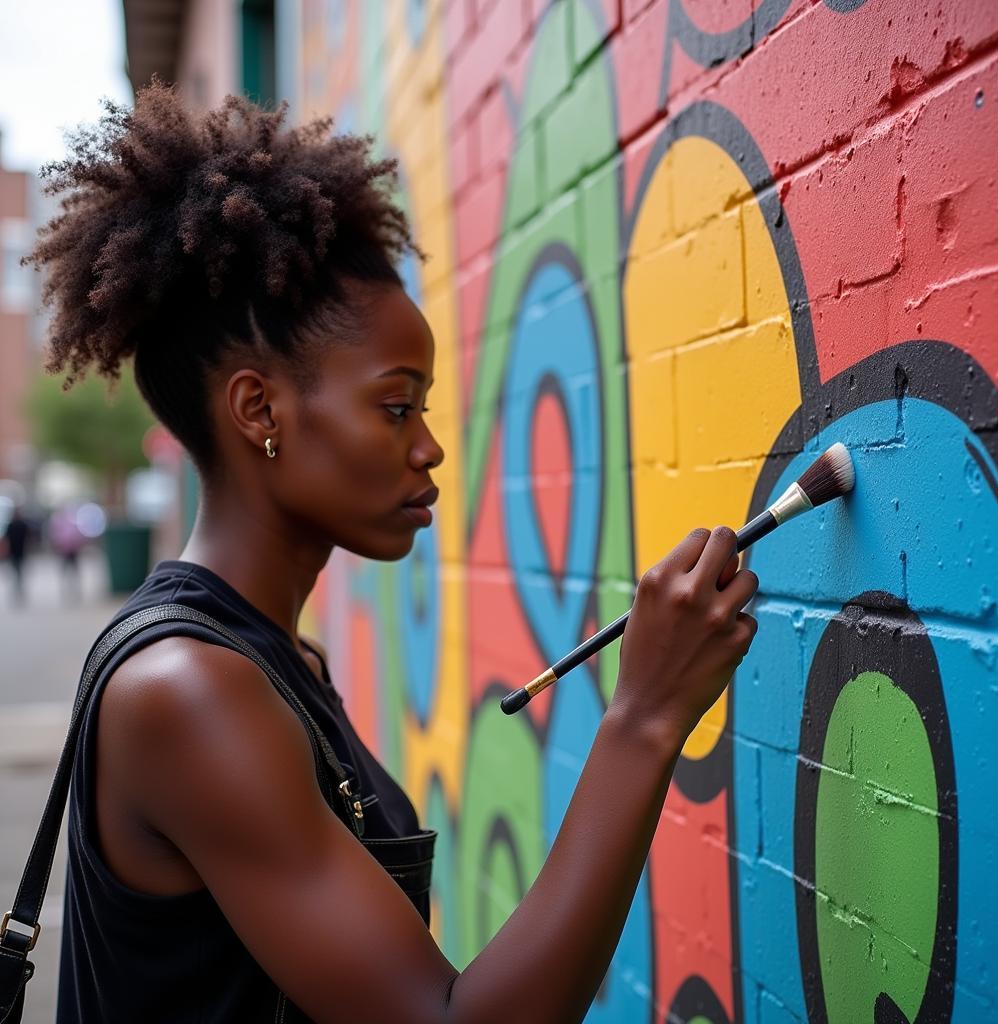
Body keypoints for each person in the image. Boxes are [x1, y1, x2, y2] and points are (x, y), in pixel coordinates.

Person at [21, 83, 758, 1023]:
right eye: (396, 404)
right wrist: (646, 715)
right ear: (260, 412)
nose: (429, 446)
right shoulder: (190, 693)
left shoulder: (271, 661)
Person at [48, 503, 87, 603]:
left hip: (72, 549)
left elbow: (78, 535)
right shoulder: (57, 521)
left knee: (74, 570)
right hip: (64, 550)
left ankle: (76, 589)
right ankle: (66, 589)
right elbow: (54, 535)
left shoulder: (72, 521)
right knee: (65, 570)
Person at [2, 504, 31, 606]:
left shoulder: (21, 524)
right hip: (15, 552)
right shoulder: (15, 525)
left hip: (19, 552)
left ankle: (18, 588)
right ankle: (17, 588)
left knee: (18, 571)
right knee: (17, 571)